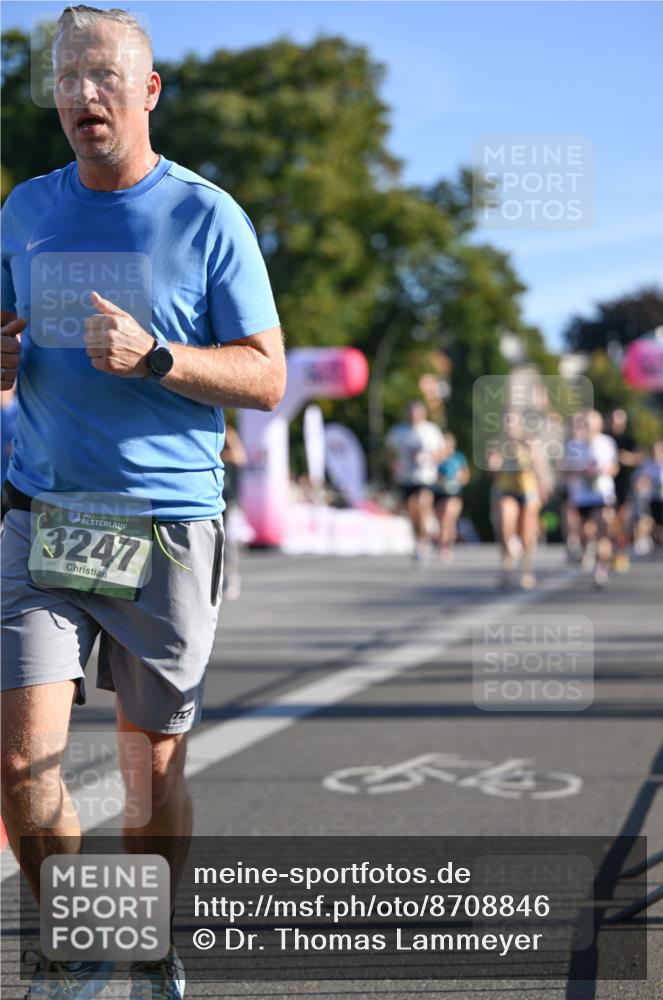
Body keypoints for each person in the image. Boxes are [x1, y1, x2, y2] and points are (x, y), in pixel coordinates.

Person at [0, 6, 286, 999]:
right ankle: (76, 942)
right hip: (45, 516)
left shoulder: (209, 216)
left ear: (149, 91)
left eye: (103, 77)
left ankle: (152, 938)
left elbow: (266, 376)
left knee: (150, 781)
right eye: (67, 78)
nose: (81, 94)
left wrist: (157, 357)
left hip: (163, 528)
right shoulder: (24, 211)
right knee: (23, 770)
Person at [489, 414, 552, 589]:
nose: (509, 427)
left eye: (512, 423)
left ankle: (526, 569)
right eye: (506, 422)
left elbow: (539, 465)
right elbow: (492, 470)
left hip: (527, 490)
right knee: (504, 520)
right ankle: (506, 563)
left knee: (526, 533)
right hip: (506, 489)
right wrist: (493, 465)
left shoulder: (529, 442)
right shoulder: (498, 444)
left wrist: (543, 486)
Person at [561, 410, 619, 588]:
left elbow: (614, 467)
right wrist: (580, 471)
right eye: (584, 423)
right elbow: (563, 470)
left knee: (603, 529)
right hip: (581, 497)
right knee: (586, 533)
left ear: (598, 425)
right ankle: (588, 550)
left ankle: (601, 568)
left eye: (590, 423)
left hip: (602, 494)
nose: (587, 427)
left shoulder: (606, 442)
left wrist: (603, 470)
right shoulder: (573, 445)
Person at [385, 400, 445, 562]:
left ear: (423, 413)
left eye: (417, 413)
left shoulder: (431, 430)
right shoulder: (398, 431)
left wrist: (430, 458)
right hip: (406, 477)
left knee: (422, 504)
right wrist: (393, 464)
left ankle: (424, 541)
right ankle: (419, 540)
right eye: (411, 413)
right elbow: (389, 452)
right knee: (412, 510)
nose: (414, 416)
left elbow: (442, 452)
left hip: (425, 476)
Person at [606, 408, 642, 573]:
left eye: (619, 420)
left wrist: (626, 458)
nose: (616, 423)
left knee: (622, 522)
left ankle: (620, 552)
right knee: (607, 521)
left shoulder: (629, 440)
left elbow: (639, 457)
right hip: (605, 488)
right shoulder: (605, 439)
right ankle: (607, 551)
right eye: (614, 419)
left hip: (623, 487)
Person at [220, 423, 248, 600]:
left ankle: (232, 576)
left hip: (229, 500)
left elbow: (240, 456)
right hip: (216, 501)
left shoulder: (229, 441)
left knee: (228, 540)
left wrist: (227, 436)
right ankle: (221, 578)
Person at [432, 432, 469, 561]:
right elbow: (430, 475)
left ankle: (446, 546)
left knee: (448, 518)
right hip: (439, 493)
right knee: (441, 521)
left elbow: (466, 477)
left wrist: (458, 479)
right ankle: (443, 544)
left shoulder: (459, 457)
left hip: (454, 493)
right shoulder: (437, 458)